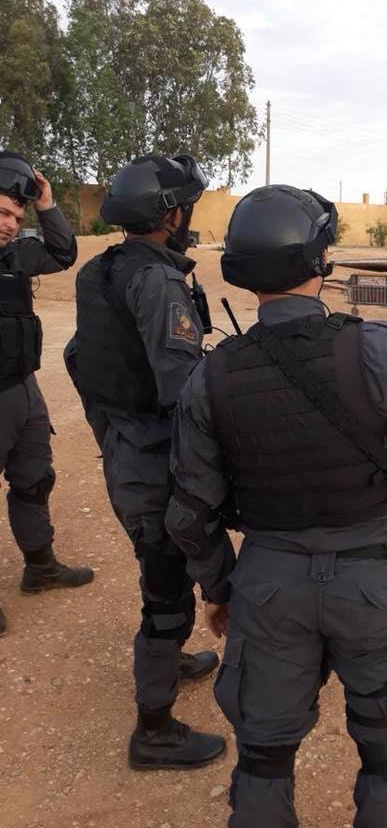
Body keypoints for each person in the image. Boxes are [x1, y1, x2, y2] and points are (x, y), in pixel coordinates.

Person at [166, 184, 387, 828]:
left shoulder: (209, 376)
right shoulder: (380, 349)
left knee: (263, 757)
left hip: (268, 586)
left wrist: (220, 588)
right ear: (318, 259)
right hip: (374, 583)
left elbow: (191, 514)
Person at [64, 154, 225, 771]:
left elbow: (81, 359)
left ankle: (170, 656)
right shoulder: (156, 282)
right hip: (155, 459)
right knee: (166, 583)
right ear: (171, 215)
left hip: (125, 451)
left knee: (162, 567)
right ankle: (153, 731)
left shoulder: (98, 269)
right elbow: (183, 393)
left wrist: (113, 432)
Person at [0, 151, 94, 638]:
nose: (10, 224)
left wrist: (47, 204)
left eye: (17, 217)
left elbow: (62, 252)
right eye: (2, 212)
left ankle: (40, 567)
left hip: (23, 388)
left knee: (35, 479)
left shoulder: (16, 256)